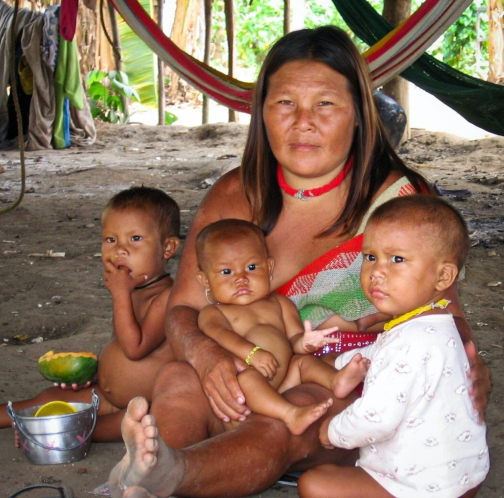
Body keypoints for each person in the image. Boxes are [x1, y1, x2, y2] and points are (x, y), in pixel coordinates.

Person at [107, 26, 491, 498]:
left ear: (357, 114)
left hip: (343, 380)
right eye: (285, 103)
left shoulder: (402, 206)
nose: (303, 121)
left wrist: (468, 371)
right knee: (178, 377)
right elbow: (183, 309)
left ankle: (178, 474)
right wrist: (206, 358)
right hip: (247, 369)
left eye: (325, 104)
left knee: (295, 414)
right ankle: (156, 466)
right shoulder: (234, 195)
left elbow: (443, 317)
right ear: (262, 113)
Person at [298, 195, 489, 498]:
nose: (377, 271)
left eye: (397, 259)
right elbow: (382, 354)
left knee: (315, 483)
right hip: (463, 477)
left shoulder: (411, 339)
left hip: (420, 487)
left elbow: (376, 419)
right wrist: (338, 361)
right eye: (370, 257)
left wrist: (331, 432)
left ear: (443, 276)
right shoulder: (434, 323)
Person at [0, 186, 180, 442]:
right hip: (105, 395)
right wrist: (92, 375)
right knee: (49, 397)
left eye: (136, 239)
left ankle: (69, 433)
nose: (120, 250)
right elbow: (118, 347)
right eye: (111, 239)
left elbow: (135, 348)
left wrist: (120, 295)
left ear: (168, 248)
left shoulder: (166, 298)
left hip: (141, 402)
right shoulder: (132, 289)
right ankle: (24, 418)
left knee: (135, 421)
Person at [195, 218, 370, 435]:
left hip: (285, 381)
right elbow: (219, 335)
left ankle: (336, 380)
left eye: (251, 267)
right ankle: (290, 414)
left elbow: (294, 338)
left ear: (268, 267)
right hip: (245, 391)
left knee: (303, 361)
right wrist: (251, 354)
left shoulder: (279, 303)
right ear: (204, 281)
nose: (241, 279)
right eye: (226, 272)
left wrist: (306, 342)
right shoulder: (214, 312)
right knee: (247, 378)